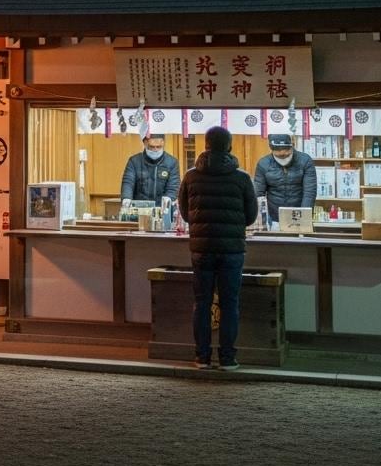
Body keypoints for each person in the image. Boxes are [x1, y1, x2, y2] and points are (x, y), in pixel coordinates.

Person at [177, 125, 258, 371]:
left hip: (201, 249)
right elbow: (251, 216)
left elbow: (185, 213)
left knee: (202, 303)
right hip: (232, 250)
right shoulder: (242, 178)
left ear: (206, 145)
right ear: (229, 146)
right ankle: (227, 358)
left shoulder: (191, 176)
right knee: (229, 303)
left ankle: (202, 357)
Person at [253, 134, 317, 223]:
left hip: (299, 212)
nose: (282, 155)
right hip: (273, 215)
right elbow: (258, 194)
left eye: (286, 153)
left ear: (292, 147)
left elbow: (309, 192)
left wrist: (304, 217)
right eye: (278, 154)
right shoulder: (263, 164)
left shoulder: (305, 161)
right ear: (272, 150)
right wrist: (262, 218)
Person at [120, 133, 181, 206]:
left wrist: (168, 199)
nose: (155, 150)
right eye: (152, 147)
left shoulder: (172, 162)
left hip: (162, 207)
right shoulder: (134, 161)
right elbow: (128, 182)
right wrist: (126, 198)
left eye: (159, 147)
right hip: (139, 207)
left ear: (163, 143)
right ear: (145, 143)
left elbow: (173, 186)